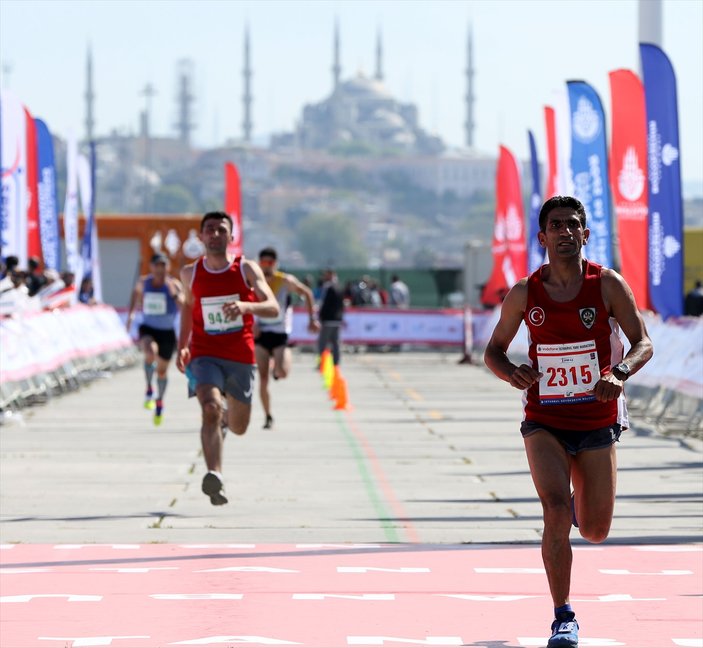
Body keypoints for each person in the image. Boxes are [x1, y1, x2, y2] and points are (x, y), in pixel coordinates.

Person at [484, 195, 653, 648]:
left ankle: (585, 496)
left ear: (585, 234)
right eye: (555, 225)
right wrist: (511, 372)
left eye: (572, 224)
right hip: (545, 418)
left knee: (595, 530)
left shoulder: (607, 284)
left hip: (597, 417)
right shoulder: (525, 292)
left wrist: (618, 373)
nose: (563, 232)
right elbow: (493, 350)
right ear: (542, 237)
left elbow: (643, 343)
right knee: (555, 509)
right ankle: (563, 616)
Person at [176, 212, 279, 506]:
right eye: (209, 230)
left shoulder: (246, 268)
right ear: (201, 237)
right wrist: (183, 345)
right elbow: (187, 308)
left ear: (230, 237)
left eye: (221, 230)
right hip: (204, 354)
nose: (215, 235)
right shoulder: (190, 273)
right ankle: (214, 475)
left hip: (240, 356)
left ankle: (225, 420)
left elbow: (272, 307)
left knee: (239, 427)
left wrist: (246, 307)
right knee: (209, 407)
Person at [254, 247, 320, 429]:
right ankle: (267, 415)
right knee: (262, 378)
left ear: (275, 264)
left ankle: (278, 367)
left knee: (282, 373)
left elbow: (306, 292)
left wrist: (312, 318)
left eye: (269, 263)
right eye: (263, 263)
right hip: (261, 334)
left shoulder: (284, 281)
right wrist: (251, 323)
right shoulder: (254, 281)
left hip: (280, 333)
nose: (266, 267)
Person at [126, 253, 185, 425]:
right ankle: (149, 387)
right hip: (149, 328)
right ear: (152, 267)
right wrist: (131, 314)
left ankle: (160, 401)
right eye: (157, 265)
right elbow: (135, 294)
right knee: (150, 352)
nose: (160, 269)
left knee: (162, 371)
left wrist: (174, 294)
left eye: (163, 265)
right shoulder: (144, 282)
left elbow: (183, 306)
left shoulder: (174, 284)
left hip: (167, 332)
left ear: (167, 267)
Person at [317, 268, 345, 366]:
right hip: (337, 319)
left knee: (322, 343)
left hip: (328, 319)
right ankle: (336, 362)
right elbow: (342, 305)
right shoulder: (340, 286)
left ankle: (323, 363)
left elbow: (324, 303)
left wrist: (320, 316)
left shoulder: (328, 287)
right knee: (335, 342)